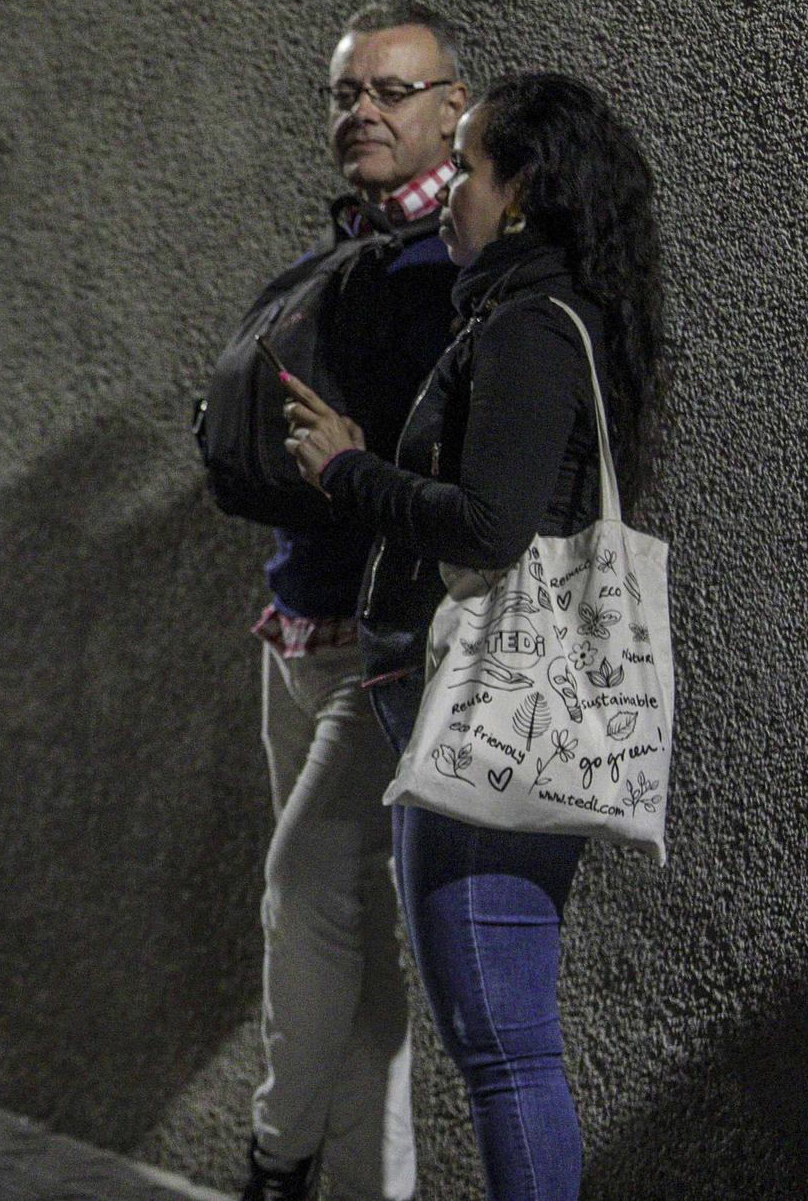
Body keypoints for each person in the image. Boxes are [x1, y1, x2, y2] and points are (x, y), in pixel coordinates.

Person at [283, 71, 667, 1200]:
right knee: (503, 1042)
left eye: (468, 164)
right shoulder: (542, 317)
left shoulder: (529, 331)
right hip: (480, 704)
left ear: (521, 190)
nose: (447, 188)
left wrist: (351, 472)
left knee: (502, 1048)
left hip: (487, 712)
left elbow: (492, 528)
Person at [231, 0, 467, 1201]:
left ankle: (273, 1161)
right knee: (353, 953)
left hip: (388, 650)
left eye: (389, 91)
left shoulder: (459, 270)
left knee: (301, 887)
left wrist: (350, 458)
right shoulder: (348, 251)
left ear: (451, 109)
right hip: (295, 629)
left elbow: (461, 480)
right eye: (344, 95)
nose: (361, 112)